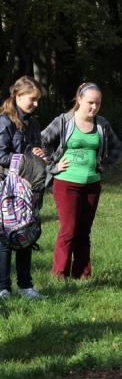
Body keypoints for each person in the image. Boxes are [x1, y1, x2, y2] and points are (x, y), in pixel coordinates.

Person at [41, 82, 121, 279]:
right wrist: (53, 166)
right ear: (79, 100)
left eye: (98, 103)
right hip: (66, 184)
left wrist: (105, 167)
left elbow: (117, 148)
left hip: (92, 185)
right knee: (69, 230)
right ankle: (59, 274)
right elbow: (42, 140)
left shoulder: (101, 124)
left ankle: (82, 274)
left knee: (84, 231)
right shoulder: (63, 121)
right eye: (90, 102)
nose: (94, 107)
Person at [0, 75, 47, 300]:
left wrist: (39, 154)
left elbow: (35, 150)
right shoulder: (5, 121)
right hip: (8, 189)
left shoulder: (33, 122)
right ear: (18, 96)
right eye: (33, 99)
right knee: (6, 238)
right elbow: (1, 155)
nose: (36, 104)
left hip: (31, 188)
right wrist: (26, 158)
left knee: (26, 234)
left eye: (38, 100)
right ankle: (3, 288)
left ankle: (26, 286)